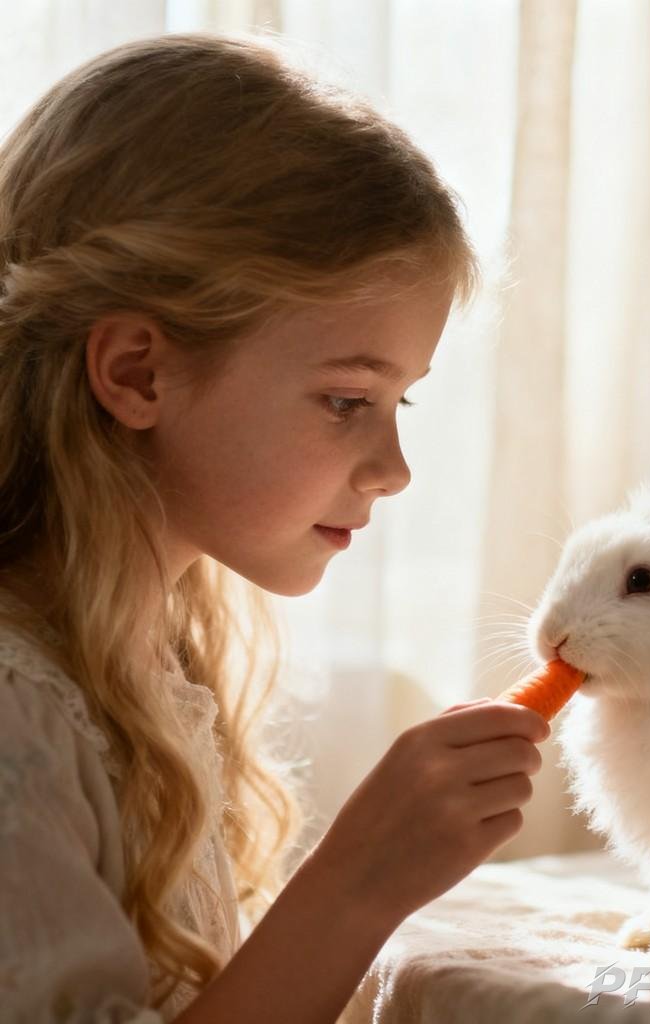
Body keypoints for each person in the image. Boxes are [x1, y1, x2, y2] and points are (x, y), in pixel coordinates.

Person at [0, 30, 549, 1023]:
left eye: (401, 405)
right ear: (135, 372)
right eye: (347, 400)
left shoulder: (144, 662)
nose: (393, 470)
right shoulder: (14, 713)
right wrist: (354, 887)